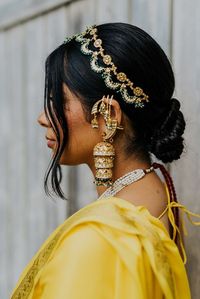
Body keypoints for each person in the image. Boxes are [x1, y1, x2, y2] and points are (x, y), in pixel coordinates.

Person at [10, 23, 200, 299]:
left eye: (57, 101)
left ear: (108, 116)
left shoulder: (100, 240)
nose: (43, 118)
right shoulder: (157, 198)